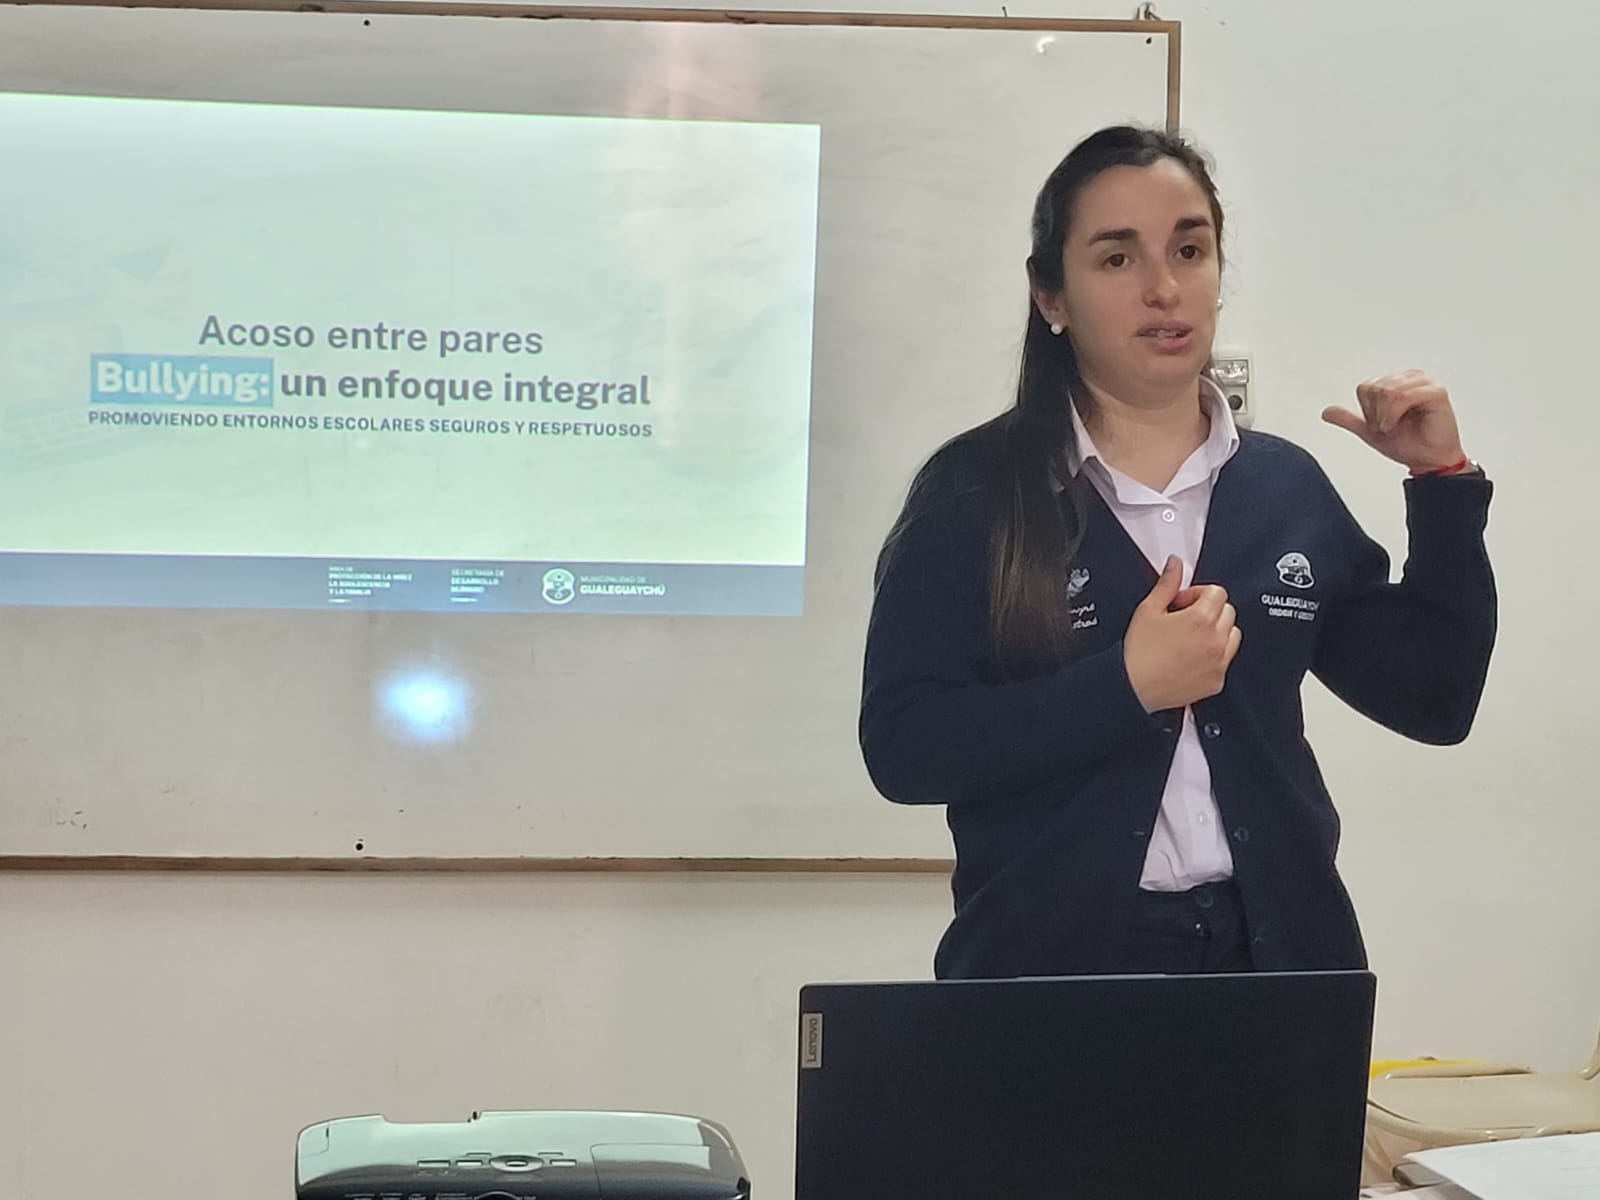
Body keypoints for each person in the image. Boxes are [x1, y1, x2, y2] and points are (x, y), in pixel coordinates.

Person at [858, 125, 1496, 980]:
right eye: (1117, 259)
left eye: (1190, 251)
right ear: (1051, 297)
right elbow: (905, 747)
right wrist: (1125, 686)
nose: (1164, 288)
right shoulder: (974, 493)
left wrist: (1444, 484)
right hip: (1051, 979)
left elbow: (1436, 700)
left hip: (1279, 968)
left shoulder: (1284, 489)